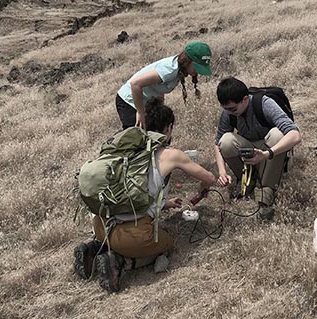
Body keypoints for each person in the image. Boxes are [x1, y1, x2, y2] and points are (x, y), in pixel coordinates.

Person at [74, 99, 216, 293]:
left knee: (117, 236)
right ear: (168, 127)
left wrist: (163, 203)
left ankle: (93, 247)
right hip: (134, 237)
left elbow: (133, 190)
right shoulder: (170, 154)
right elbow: (210, 177)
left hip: (101, 225)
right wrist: (202, 189)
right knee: (169, 242)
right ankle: (121, 262)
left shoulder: (124, 148)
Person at [213, 77, 302, 220]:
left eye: (233, 109)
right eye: (226, 109)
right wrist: (222, 172)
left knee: (277, 135)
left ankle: (266, 190)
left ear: (245, 99)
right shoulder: (228, 113)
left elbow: (295, 135)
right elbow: (218, 144)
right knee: (226, 141)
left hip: (270, 150)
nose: (229, 113)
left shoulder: (264, 104)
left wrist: (267, 154)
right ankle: (246, 181)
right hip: (251, 149)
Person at [115, 41, 212, 129]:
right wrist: (140, 112)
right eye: (197, 67)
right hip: (129, 101)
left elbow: (158, 88)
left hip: (144, 103)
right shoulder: (169, 70)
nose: (198, 72)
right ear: (188, 62)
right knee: (136, 139)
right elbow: (135, 84)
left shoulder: (178, 71)